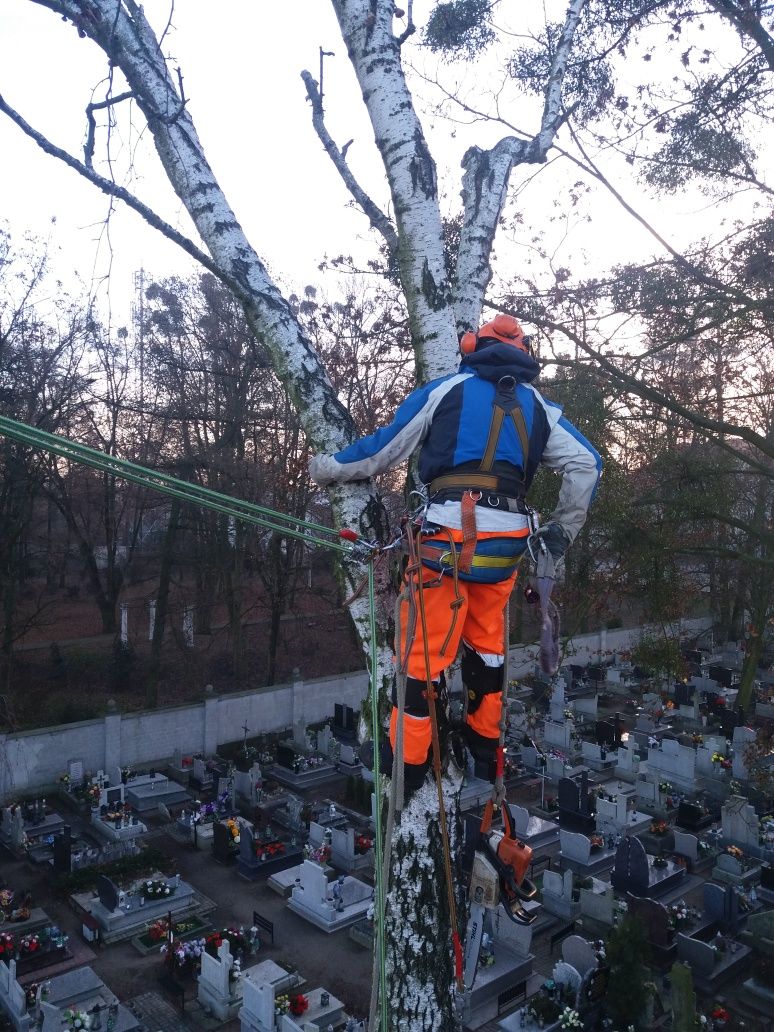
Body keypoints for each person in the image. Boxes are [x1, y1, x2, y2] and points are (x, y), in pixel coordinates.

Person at [309, 314, 601, 797]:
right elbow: (587, 464)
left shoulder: (447, 391)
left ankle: (409, 760)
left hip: (445, 543)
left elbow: (382, 450)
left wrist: (327, 467)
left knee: (420, 657)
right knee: (488, 646)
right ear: (523, 354)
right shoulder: (540, 408)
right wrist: (560, 531)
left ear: (472, 348)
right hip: (504, 549)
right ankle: (484, 747)